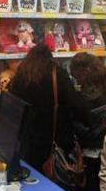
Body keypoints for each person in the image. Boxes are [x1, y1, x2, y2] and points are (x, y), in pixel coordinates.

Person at [8, 44, 92, 182]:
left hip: (27, 143)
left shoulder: (20, 76)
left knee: (31, 181)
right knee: (56, 180)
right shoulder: (57, 73)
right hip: (54, 141)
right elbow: (76, 104)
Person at [69, 52, 106, 191]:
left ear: (83, 72)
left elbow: (82, 123)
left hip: (91, 147)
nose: (76, 80)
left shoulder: (85, 95)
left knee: (90, 188)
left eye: (76, 76)